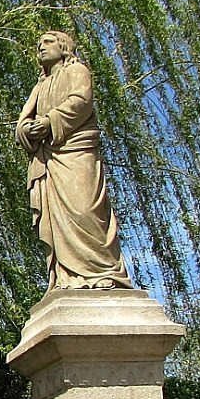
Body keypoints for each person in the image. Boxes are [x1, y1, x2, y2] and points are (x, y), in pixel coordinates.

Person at [16, 28, 130, 289]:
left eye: (47, 43)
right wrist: (28, 129)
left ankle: (103, 272)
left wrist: (49, 122)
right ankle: (67, 276)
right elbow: (23, 121)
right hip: (49, 159)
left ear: (63, 47)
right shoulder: (40, 85)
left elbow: (81, 102)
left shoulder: (77, 71)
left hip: (76, 153)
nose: (41, 48)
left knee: (84, 209)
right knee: (57, 220)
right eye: (38, 45)